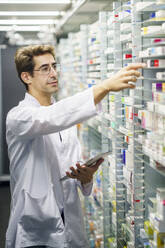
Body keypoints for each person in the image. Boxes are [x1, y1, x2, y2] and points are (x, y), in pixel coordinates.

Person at [5, 44, 145, 248]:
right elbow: (49, 118)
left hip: (69, 218)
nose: (53, 73)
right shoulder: (18, 117)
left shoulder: (67, 122)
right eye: (45, 69)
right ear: (26, 77)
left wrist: (86, 177)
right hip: (37, 225)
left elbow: (72, 172)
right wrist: (104, 86)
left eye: (54, 66)